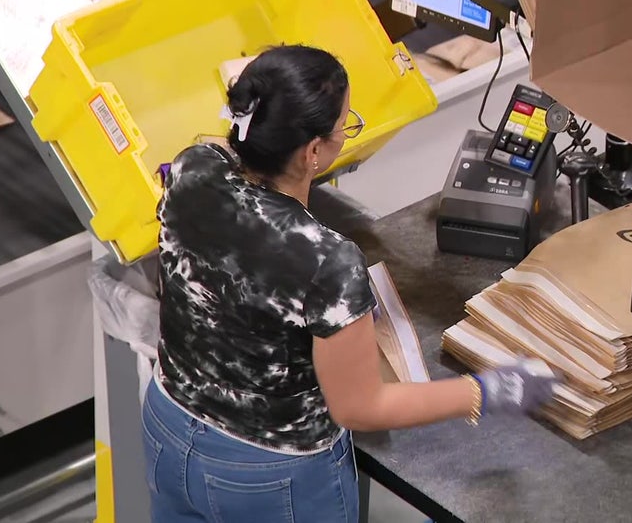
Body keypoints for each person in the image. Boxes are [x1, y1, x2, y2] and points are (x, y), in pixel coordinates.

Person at [142, 44, 557, 523]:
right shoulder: (327, 260)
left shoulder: (193, 165)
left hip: (168, 428)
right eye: (345, 125)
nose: (347, 134)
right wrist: (488, 390)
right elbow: (360, 407)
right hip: (269, 475)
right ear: (313, 151)